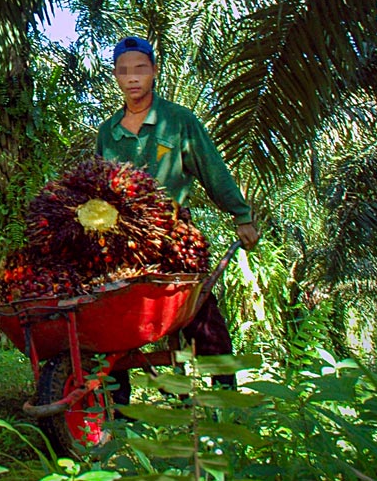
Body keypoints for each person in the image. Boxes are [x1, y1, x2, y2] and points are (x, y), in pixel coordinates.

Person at [96, 36, 260, 402]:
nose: (132, 78)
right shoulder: (109, 131)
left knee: (199, 310)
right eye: (124, 71)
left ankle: (226, 400)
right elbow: (99, 187)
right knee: (112, 317)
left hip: (171, 236)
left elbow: (212, 170)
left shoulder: (178, 121)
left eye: (140, 69)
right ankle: (120, 411)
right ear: (116, 77)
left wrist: (241, 215)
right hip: (124, 241)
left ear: (154, 72)